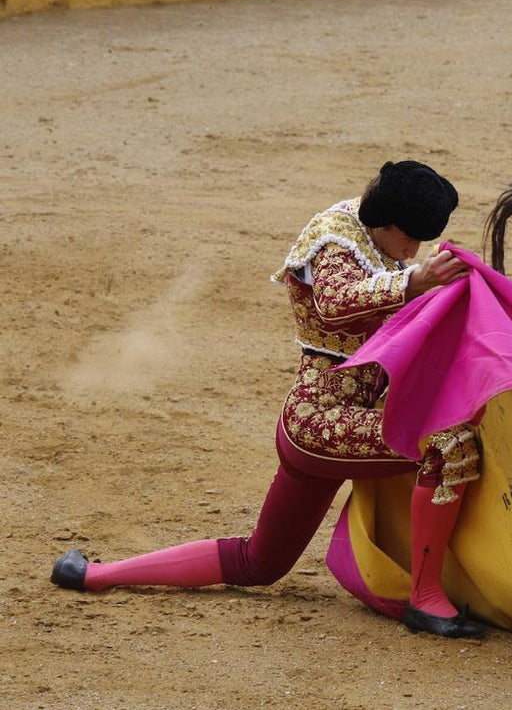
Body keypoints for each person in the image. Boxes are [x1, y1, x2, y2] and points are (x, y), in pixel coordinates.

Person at [51, 160, 485, 639]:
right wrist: (414, 281)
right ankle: (424, 600)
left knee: (258, 562)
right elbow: (335, 304)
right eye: (410, 237)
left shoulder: (376, 237)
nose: (414, 249)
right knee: (447, 443)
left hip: (335, 420)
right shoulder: (335, 234)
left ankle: (91, 574)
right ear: (384, 222)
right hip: (321, 421)